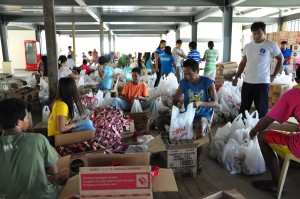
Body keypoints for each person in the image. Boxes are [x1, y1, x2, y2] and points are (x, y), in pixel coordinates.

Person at [249, 66, 300, 194]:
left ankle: (276, 183)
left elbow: (267, 120)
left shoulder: (293, 95)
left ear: (297, 79)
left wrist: (253, 131)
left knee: (262, 137)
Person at [0, 98, 62, 198]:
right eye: (26, 117)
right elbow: (54, 171)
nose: (28, 120)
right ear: (18, 122)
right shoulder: (38, 139)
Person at [173, 58, 218, 171]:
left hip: (202, 115)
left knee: (200, 129)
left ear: (197, 71)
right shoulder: (184, 83)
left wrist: (201, 103)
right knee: (160, 121)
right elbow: (175, 99)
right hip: (188, 114)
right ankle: (168, 152)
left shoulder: (208, 82)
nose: (187, 76)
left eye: (190, 74)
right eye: (185, 74)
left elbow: (216, 103)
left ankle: (196, 162)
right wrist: (175, 112)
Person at [232, 22, 283, 118]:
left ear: (264, 32)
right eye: (254, 33)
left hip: (262, 83)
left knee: (261, 110)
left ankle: (261, 132)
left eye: (259, 33)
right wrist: (237, 77)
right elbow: (243, 63)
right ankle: (244, 130)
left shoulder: (271, 45)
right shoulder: (247, 46)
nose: (256, 36)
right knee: (244, 109)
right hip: (247, 83)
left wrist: (273, 75)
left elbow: (281, 59)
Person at [48, 77, 86, 145]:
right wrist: (74, 124)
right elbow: (61, 128)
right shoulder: (62, 105)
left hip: (54, 136)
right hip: (55, 139)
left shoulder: (59, 101)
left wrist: (71, 124)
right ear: (71, 90)